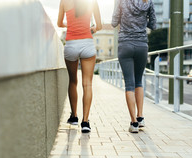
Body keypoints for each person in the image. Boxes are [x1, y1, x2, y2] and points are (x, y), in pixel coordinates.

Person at [57, 0, 102, 133]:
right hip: (87, 43)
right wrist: (92, 28)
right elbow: (99, 25)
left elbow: (59, 24)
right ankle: (85, 122)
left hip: (71, 44)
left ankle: (74, 116)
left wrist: (69, 25)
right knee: (87, 84)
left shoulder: (64, 1)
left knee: (73, 81)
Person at [112, 0, 156, 133]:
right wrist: (141, 23)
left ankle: (134, 123)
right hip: (142, 45)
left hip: (125, 44)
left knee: (129, 85)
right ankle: (140, 117)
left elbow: (114, 22)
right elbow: (153, 25)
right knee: (138, 82)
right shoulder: (148, 2)